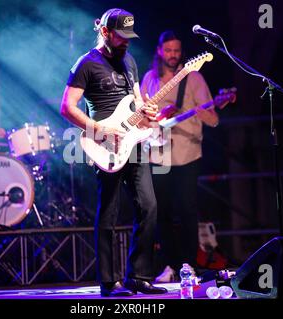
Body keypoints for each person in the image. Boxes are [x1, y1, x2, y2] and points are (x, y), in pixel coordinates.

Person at [60, 8, 167, 297]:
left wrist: (148, 111)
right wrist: (100, 130)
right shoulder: (86, 64)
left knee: (149, 206)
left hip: (132, 142)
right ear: (105, 32)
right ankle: (109, 282)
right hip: (104, 144)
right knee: (108, 211)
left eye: (129, 37)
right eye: (121, 37)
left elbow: (136, 99)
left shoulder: (129, 60)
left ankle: (139, 276)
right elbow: (67, 107)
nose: (126, 42)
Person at [140, 30, 219, 282]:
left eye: (177, 51)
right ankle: (170, 265)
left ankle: (190, 265)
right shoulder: (150, 79)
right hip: (157, 154)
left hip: (187, 154)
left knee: (187, 210)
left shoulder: (193, 78)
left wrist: (198, 110)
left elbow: (213, 119)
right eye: (169, 50)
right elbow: (141, 117)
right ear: (160, 51)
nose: (173, 55)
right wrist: (158, 115)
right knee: (160, 212)